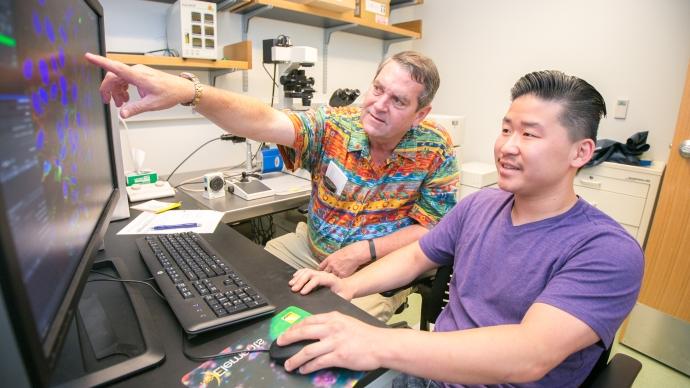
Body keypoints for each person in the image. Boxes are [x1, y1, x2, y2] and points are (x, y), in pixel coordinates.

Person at [281, 70, 644, 387]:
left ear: (580, 153)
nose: (507, 146)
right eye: (506, 129)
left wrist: (375, 343)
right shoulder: (480, 205)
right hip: (432, 369)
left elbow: (530, 354)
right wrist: (349, 285)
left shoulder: (607, 251)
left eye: (529, 135)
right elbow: (416, 256)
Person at [84, 51, 459, 322]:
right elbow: (265, 121)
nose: (378, 105)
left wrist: (364, 251)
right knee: (244, 300)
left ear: (420, 113)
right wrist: (188, 91)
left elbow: (432, 228)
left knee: (329, 336)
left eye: (398, 100)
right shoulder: (335, 125)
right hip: (308, 249)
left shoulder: (435, 147)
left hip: (376, 273)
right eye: (377, 89)